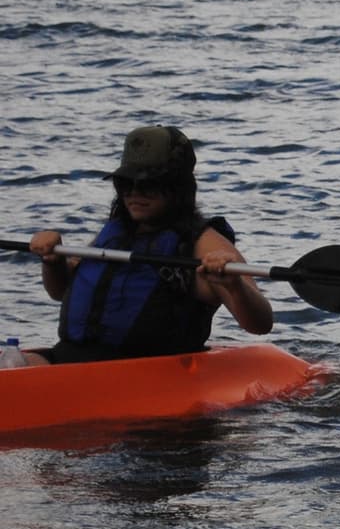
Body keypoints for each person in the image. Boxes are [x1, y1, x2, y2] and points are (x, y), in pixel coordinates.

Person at [7, 126, 274, 368]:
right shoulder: (115, 233)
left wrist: (233, 285)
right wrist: (52, 262)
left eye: (148, 184)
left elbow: (260, 324)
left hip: (145, 374)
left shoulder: (204, 242)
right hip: (69, 359)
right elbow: (60, 292)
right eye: (126, 183)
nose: (134, 192)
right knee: (14, 363)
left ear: (177, 187)